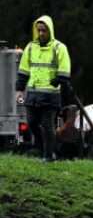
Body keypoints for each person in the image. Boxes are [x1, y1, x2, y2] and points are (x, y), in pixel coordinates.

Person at [14, 15, 70, 161]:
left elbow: (64, 70)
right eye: (39, 30)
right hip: (32, 93)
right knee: (31, 123)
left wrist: (57, 80)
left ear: (50, 30)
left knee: (47, 125)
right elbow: (23, 71)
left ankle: (49, 155)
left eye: (44, 30)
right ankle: (43, 148)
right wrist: (19, 91)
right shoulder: (30, 48)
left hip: (50, 95)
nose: (41, 33)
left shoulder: (59, 48)